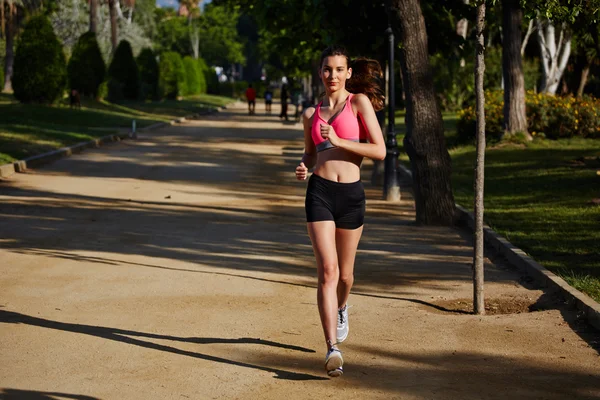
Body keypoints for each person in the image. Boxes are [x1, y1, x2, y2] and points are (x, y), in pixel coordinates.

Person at [295, 45, 386, 378]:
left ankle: (342, 306)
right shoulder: (310, 114)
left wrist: (338, 140)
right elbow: (310, 154)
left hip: (351, 195)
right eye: (326, 69)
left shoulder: (358, 103)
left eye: (338, 69)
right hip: (319, 193)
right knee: (327, 273)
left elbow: (379, 151)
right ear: (320, 73)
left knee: (346, 277)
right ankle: (332, 348)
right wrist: (304, 167)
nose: (332, 75)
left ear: (348, 73)